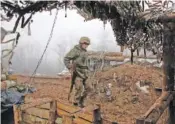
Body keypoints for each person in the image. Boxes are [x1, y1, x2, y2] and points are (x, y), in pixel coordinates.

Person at [64, 36, 90, 108]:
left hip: (85, 73)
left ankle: (81, 100)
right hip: (77, 73)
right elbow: (66, 58)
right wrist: (69, 67)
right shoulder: (75, 50)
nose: (86, 46)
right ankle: (76, 103)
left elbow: (86, 63)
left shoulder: (85, 52)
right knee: (79, 88)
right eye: (85, 44)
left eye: (87, 44)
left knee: (89, 88)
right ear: (81, 43)